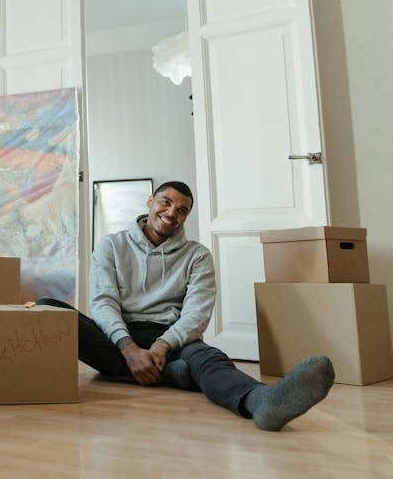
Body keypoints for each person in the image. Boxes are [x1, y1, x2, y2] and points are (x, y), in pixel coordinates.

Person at [38, 180, 335, 431]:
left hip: (171, 338)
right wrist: (128, 348)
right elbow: (103, 301)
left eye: (182, 210)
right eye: (166, 203)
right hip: (120, 336)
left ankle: (260, 401)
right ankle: (167, 374)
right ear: (150, 201)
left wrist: (162, 345)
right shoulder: (111, 245)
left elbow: (197, 313)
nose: (171, 213)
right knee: (48, 308)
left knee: (210, 358)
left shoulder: (198, 256)